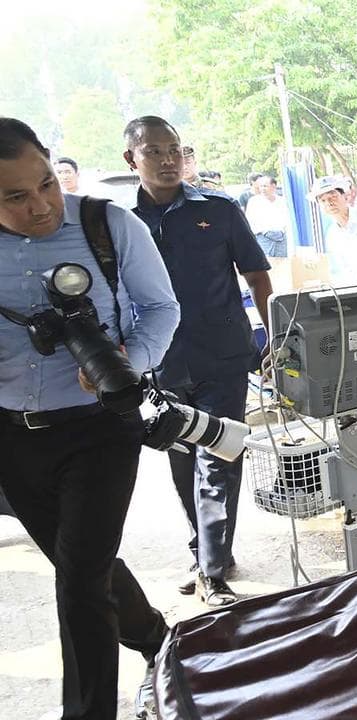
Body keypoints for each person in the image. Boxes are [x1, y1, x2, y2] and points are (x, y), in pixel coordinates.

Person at [0, 117, 179, 719]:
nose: (41, 206)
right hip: (12, 436)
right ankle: (157, 637)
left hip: (99, 427)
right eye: (16, 197)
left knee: (78, 582)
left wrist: (132, 358)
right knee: (83, 564)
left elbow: (160, 307)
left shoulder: (108, 225)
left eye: (46, 183)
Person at [123, 115, 274, 607]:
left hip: (223, 356)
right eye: (155, 152)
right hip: (160, 365)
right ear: (132, 159)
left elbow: (257, 277)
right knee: (181, 460)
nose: (168, 160)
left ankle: (211, 571)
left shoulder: (220, 209)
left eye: (175, 150)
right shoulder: (121, 224)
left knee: (220, 456)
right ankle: (208, 550)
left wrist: (272, 336)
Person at [244, 173, 290, 258]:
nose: (263, 189)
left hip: (281, 238)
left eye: (265, 186)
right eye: (261, 186)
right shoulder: (254, 201)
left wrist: (282, 232)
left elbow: (287, 218)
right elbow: (249, 221)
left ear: (273, 186)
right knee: (266, 264)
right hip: (263, 237)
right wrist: (264, 232)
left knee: (282, 264)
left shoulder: (282, 201)